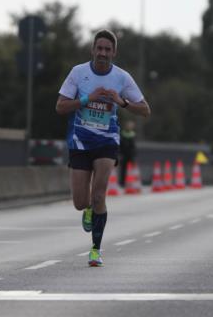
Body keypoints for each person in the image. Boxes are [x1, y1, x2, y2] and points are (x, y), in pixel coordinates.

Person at [56, 29, 150, 267]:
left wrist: (122, 102)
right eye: (99, 48)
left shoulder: (122, 78)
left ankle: (96, 249)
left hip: (107, 141)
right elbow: (60, 106)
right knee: (81, 201)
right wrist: (88, 99)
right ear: (92, 50)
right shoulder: (78, 73)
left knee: (99, 195)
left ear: (114, 53)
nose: (103, 53)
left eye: (108, 49)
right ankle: (87, 208)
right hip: (80, 141)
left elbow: (145, 109)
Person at [118, 121, 137, 188]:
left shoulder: (133, 135)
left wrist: (134, 154)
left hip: (131, 155)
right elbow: (120, 145)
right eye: (128, 125)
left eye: (131, 125)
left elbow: (134, 146)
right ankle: (122, 182)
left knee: (131, 169)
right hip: (124, 155)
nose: (129, 127)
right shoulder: (122, 134)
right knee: (123, 169)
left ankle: (131, 182)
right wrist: (120, 154)